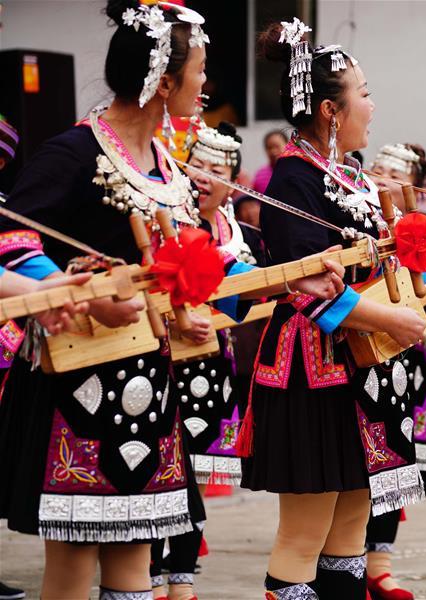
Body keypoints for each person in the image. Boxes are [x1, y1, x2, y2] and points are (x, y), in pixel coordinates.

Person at [0, 4, 341, 598]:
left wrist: (287, 282)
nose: (207, 83)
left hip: (153, 382)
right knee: (74, 563)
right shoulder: (74, 153)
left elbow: (205, 265)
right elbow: (12, 241)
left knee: (135, 563)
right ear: (163, 81)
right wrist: (74, 294)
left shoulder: (167, 167)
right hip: (79, 381)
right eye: (200, 70)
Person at [240, 20, 426, 599]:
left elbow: (405, 273)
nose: (372, 104)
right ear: (330, 110)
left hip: (366, 368)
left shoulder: (352, 177)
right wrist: (393, 320)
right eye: (364, 93)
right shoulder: (292, 179)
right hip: (313, 371)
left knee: (350, 528)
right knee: (305, 533)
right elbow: (306, 287)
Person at [148, 121, 267, 600]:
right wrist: (177, 319)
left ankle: (181, 579)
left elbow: (247, 296)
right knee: (160, 468)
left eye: (215, 169)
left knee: (194, 471)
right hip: (162, 357)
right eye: (195, 163)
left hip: (213, 360)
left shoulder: (239, 234)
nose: (202, 174)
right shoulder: (164, 217)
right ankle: (149, 578)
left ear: (233, 182)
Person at [364, 143, 426, 600]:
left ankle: (380, 564)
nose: (380, 177)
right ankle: (345, 561)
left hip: (402, 355)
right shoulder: (352, 215)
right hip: (359, 345)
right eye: (377, 168)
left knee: (395, 461)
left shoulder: (419, 231)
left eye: (393, 175)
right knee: (359, 461)